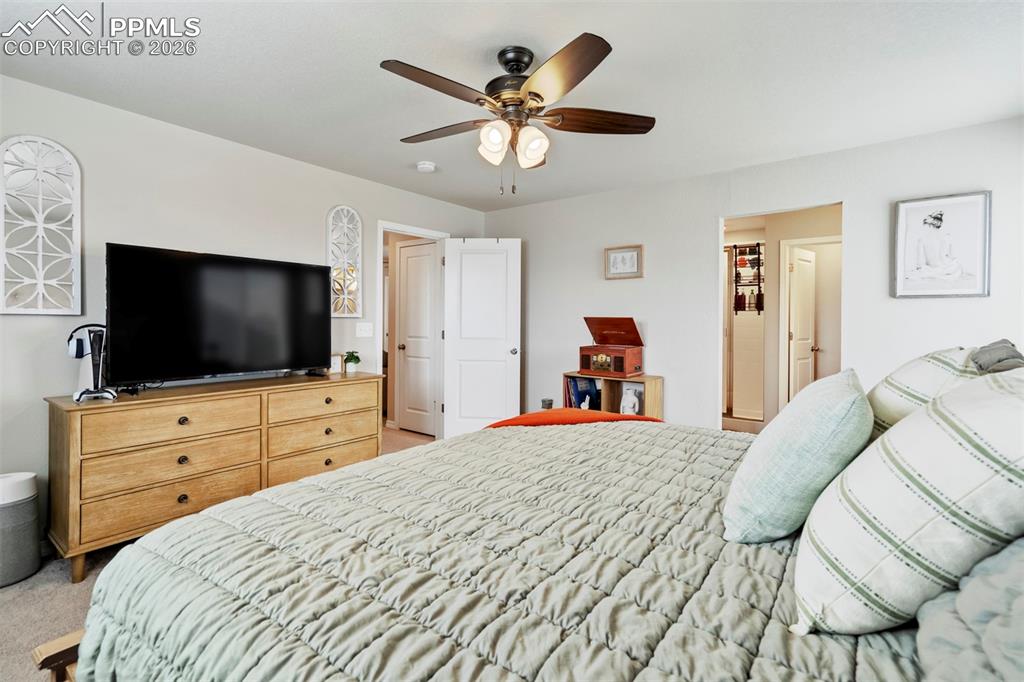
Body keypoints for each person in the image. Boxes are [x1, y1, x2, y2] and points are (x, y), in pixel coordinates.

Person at [905, 210, 964, 280]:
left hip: (931, 269)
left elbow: (919, 263)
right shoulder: (947, 237)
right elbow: (952, 256)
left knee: (923, 271)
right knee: (956, 266)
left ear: (928, 225)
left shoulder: (922, 240)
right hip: (948, 269)